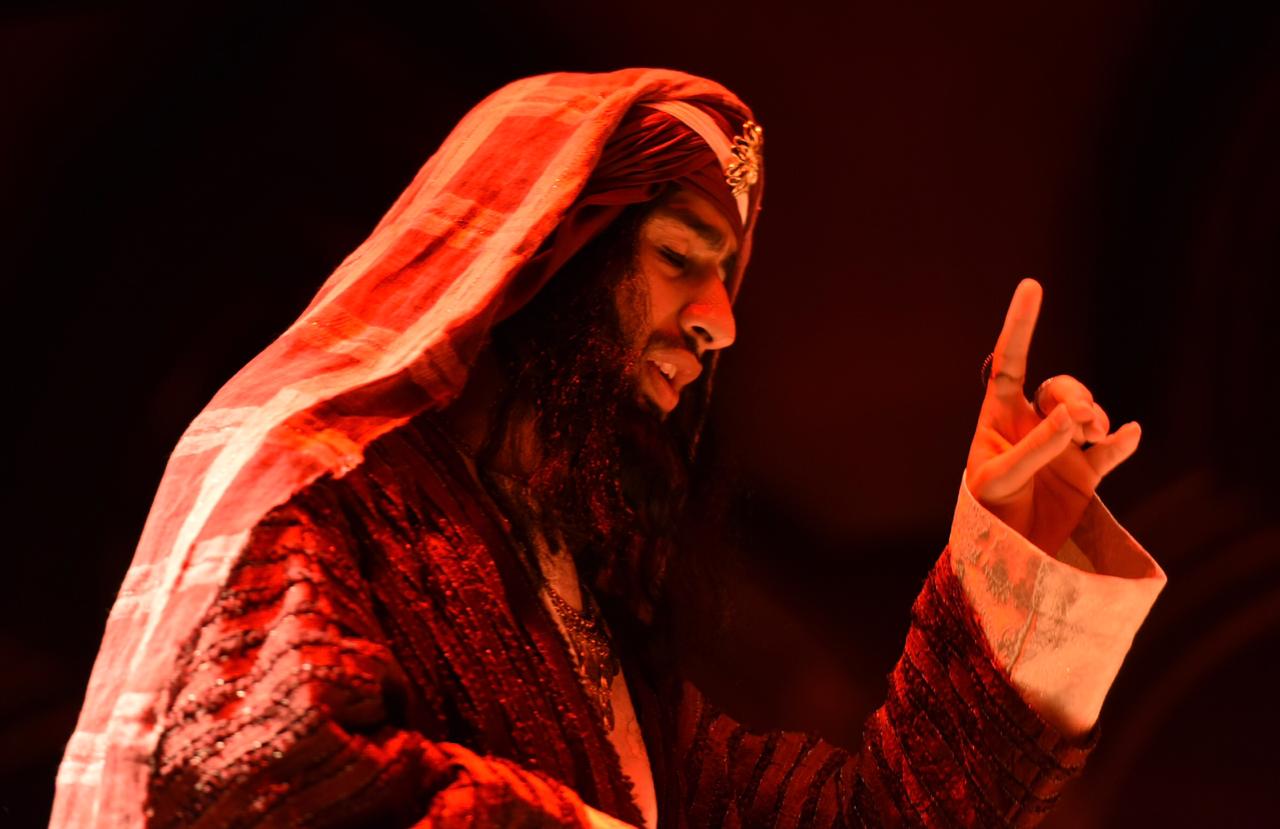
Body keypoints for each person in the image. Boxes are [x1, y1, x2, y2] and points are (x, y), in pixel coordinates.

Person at [52, 68, 1166, 828]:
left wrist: (1012, 564)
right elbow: (255, 774)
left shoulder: (585, 632)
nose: (720, 323)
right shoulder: (314, 483)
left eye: (727, 279)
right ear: (552, 252)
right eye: (682, 258)